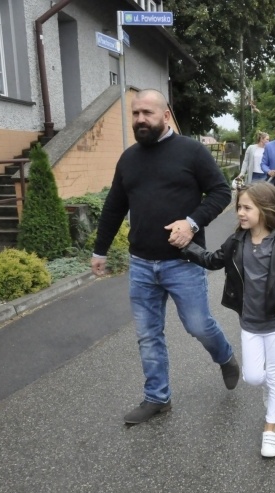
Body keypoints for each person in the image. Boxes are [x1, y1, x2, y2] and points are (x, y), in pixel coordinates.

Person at [91, 89, 239, 425]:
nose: (140, 119)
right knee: (147, 334)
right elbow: (114, 206)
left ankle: (225, 355)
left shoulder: (192, 152)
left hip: (183, 263)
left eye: (147, 112)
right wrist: (99, 250)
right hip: (142, 265)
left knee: (198, 326)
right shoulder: (128, 159)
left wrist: (191, 223)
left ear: (166, 115)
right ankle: (157, 397)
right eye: (135, 113)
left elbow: (220, 191)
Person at [178, 182, 275, 458]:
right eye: (239, 206)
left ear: (265, 209)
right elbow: (213, 260)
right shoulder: (237, 241)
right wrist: (186, 247)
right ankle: (270, 389)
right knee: (253, 377)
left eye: (246, 207)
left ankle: (271, 428)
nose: (240, 212)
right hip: (249, 323)